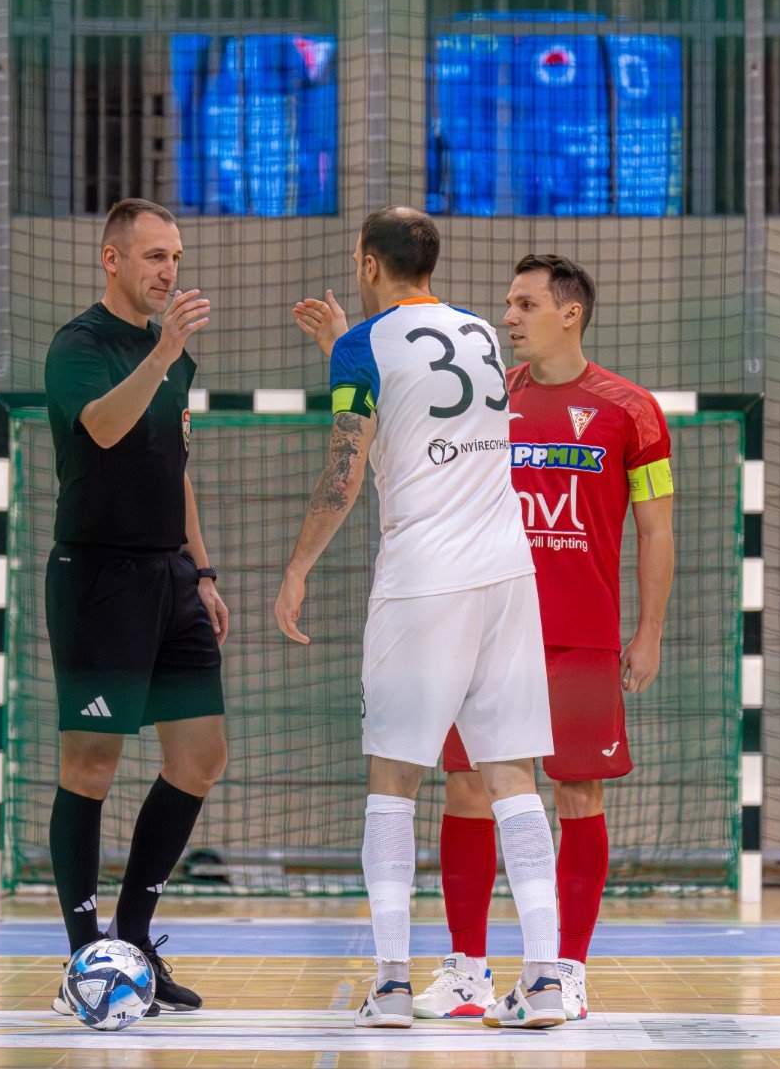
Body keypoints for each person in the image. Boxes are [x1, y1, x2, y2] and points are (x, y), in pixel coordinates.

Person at [280, 207, 565, 1030]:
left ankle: (396, 984)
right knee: (514, 779)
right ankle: (545, 979)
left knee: (394, 782)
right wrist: (346, 340)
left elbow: (349, 458)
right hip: (508, 573)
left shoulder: (361, 347)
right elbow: (419, 388)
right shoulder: (478, 331)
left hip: (422, 580)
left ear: (367, 261)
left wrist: (298, 565)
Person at [420, 255, 673, 1022]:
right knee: (466, 791)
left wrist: (650, 631)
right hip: (488, 634)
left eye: (525, 304)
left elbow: (657, 527)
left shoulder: (632, 410)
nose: (508, 317)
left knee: (578, 793)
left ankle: (563, 973)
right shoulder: (486, 403)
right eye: (507, 303)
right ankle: (467, 974)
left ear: (571, 313)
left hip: (582, 640)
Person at [42, 198, 228, 1017]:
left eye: (177, 258)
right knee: (91, 765)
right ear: (112, 259)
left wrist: (205, 570)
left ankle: (134, 936)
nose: (169, 272)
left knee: (200, 757)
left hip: (170, 580)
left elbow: (173, 465)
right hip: (99, 578)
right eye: (155, 256)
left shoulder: (172, 356)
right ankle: (86, 953)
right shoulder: (79, 346)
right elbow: (107, 429)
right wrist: (166, 352)